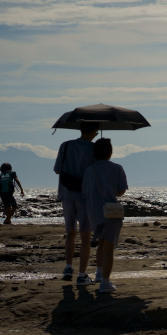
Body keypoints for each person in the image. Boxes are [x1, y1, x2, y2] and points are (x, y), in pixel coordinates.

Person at [54, 121, 98, 285]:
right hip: (84, 196)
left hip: (66, 193)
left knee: (70, 232)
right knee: (86, 236)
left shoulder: (65, 145)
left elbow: (58, 169)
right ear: (94, 130)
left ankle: (68, 267)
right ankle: (82, 274)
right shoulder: (94, 148)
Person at [81, 138, 127, 294]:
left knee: (100, 243)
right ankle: (105, 283)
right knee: (108, 248)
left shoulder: (89, 170)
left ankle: (99, 274)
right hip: (111, 213)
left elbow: (85, 192)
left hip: (93, 212)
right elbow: (121, 191)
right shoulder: (117, 168)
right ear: (110, 152)